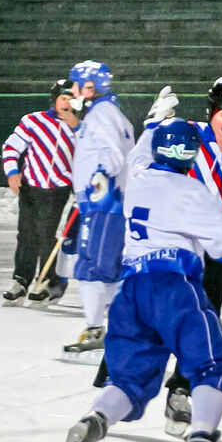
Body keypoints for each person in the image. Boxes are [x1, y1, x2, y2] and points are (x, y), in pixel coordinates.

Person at [56, 120, 222, 442]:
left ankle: (94, 419)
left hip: (131, 293)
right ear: (192, 154)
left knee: (130, 378)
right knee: (214, 365)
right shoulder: (191, 191)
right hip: (173, 288)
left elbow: (138, 154)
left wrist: (153, 123)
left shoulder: (136, 179)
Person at [129, 75, 222, 434]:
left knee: (199, 327)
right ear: (211, 111)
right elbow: (141, 171)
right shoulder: (186, 135)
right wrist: (153, 126)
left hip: (212, 253)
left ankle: (179, 393)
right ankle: (121, 384)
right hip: (170, 245)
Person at [62, 60, 135, 356]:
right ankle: (119, 329)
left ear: (89, 87)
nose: (72, 91)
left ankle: (96, 329)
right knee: (109, 268)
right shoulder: (109, 113)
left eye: (76, 85)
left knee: (92, 266)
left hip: (103, 202)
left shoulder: (101, 114)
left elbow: (111, 154)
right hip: (109, 202)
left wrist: (100, 176)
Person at [0, 78, 78, 306]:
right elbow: (11, 147)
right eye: (63, 98)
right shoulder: (33, 121)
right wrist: (12, 173)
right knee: (26, 234)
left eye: (71, 99)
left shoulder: (80, 129)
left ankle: (45, 282)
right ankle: (21, 281)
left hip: (57, 189)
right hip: (31, 187)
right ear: (54, 100)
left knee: (45, 234)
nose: (66, 104)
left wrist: (77, 129)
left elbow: (88, 156)